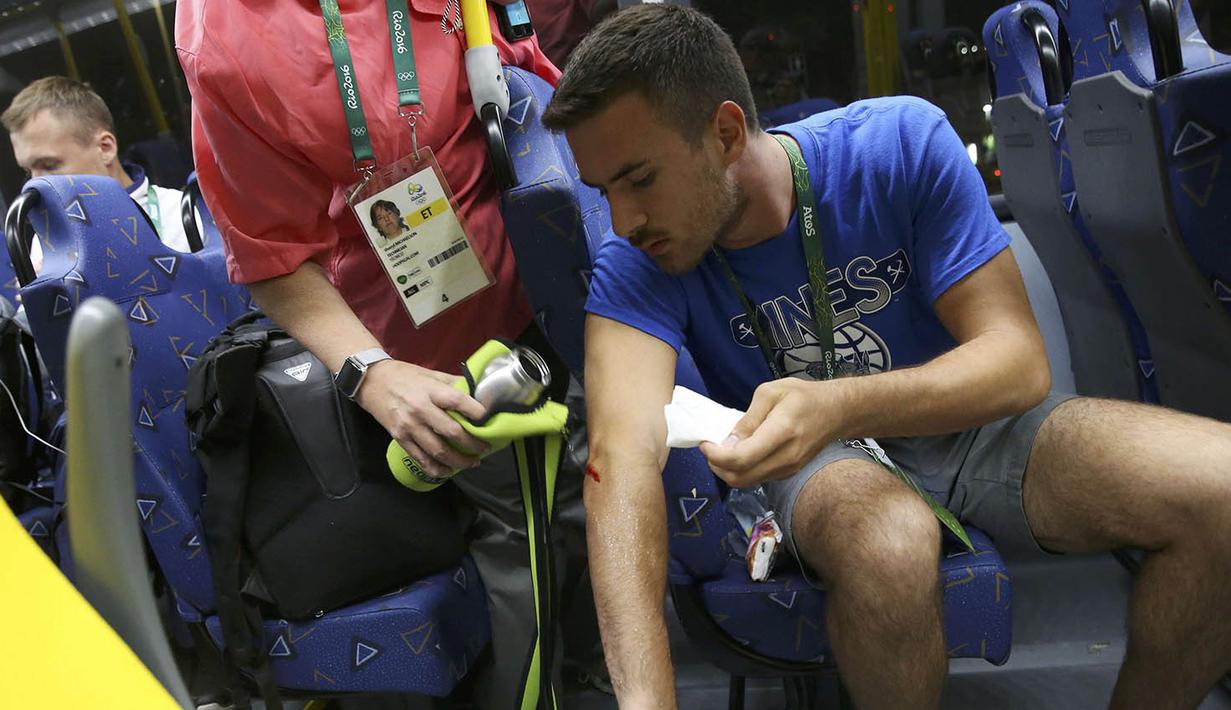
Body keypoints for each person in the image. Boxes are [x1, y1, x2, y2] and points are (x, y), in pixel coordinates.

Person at [541, 5, 1231, 709]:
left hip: (966, 426)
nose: (623, 221)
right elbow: (618, 461)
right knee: (888, 543)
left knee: (1221, 488)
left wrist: (836, 401)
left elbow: (1017, 362)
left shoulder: (896, 144)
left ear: (722, 133)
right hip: (809, 461)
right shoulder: (635, 263)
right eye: (604, 192)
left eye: (638, 179)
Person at [176, 1, 596, 707]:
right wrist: (371, 372)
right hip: (446, 349)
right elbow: (272, 252)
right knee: (541, 550)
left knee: (613, 512)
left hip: (573, 262)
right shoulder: (226, 36)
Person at [1, 76, 194, 259]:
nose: (35, 186)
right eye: (28, 171)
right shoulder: (47, 244)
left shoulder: (183, 215)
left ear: (105, 148)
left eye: (50, 166)